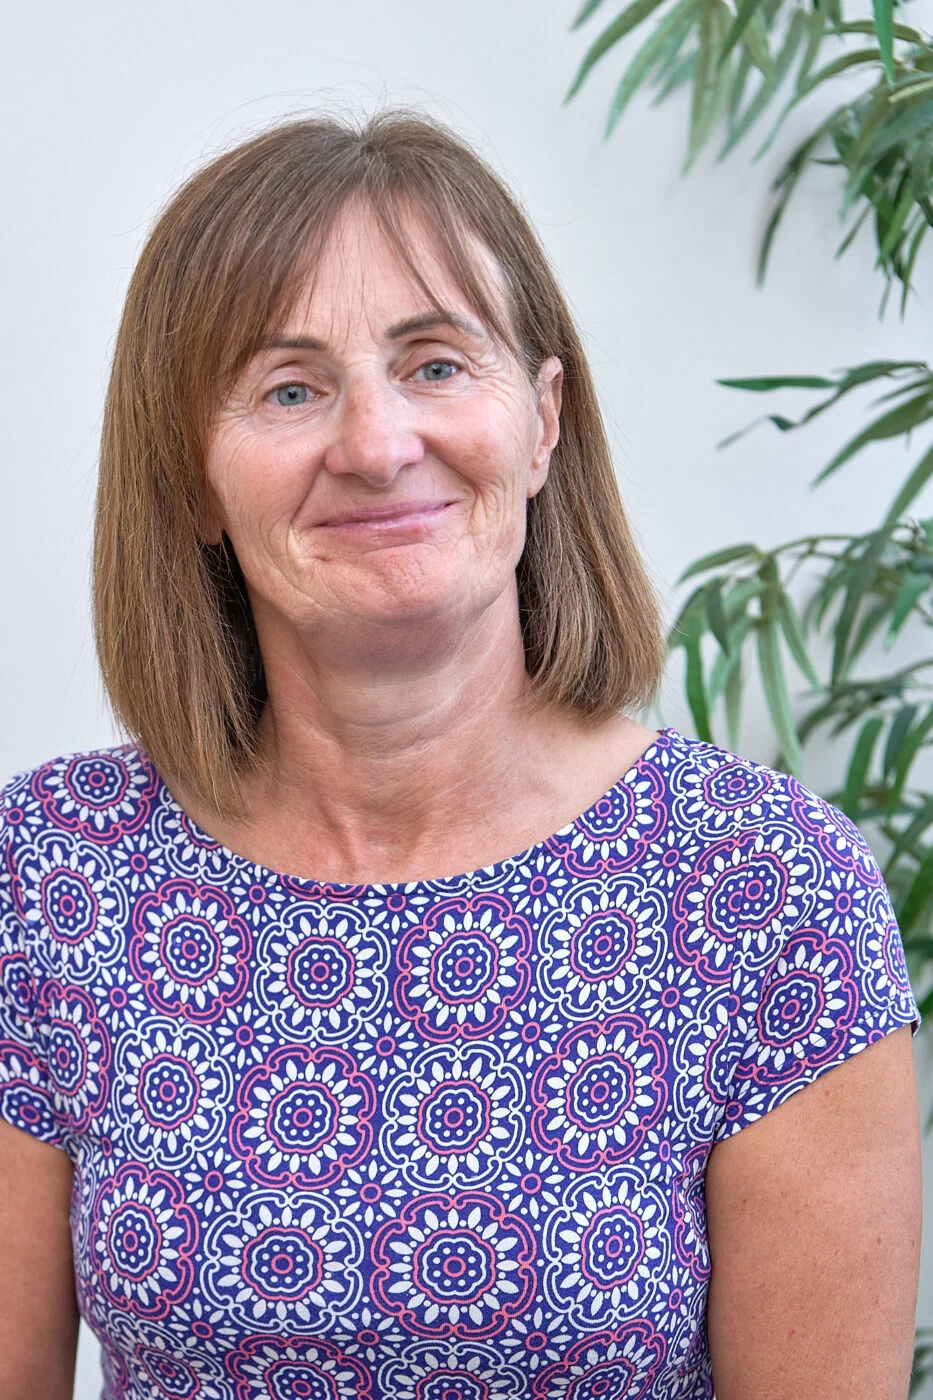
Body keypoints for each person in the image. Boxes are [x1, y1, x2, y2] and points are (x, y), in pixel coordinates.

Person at [0, 108, 922, 1400]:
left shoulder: (768, 895)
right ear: (194, 482)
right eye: (290, 387)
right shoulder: (49, 879)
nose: (377, 446)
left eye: (436, 365)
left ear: (543, 422)